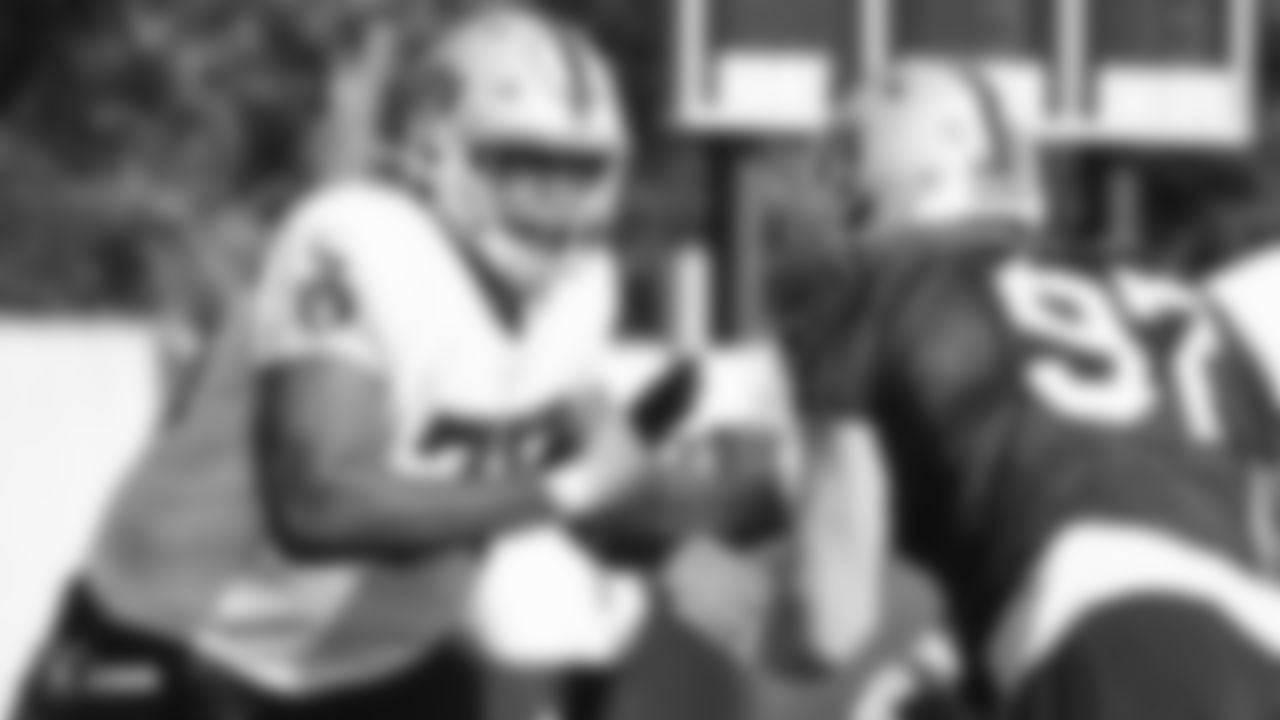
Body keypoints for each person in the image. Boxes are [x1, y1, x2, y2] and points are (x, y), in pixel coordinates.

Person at [12, 7, 688, 720]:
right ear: (437, 153)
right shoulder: (360, 240)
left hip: (370, 673)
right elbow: (318, 506)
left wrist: (698, 508)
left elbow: (599, 482)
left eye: (581, 170)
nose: (557, 199)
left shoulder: (579, 291)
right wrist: (573, 487)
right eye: (526, 164)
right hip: (177, 654)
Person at [765, 60, 1280, 720]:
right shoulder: (1182, 306)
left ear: (896, 173)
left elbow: (826, 626)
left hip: (1100, 655)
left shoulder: (881, 290)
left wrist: (727, 612)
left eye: (845, 175)